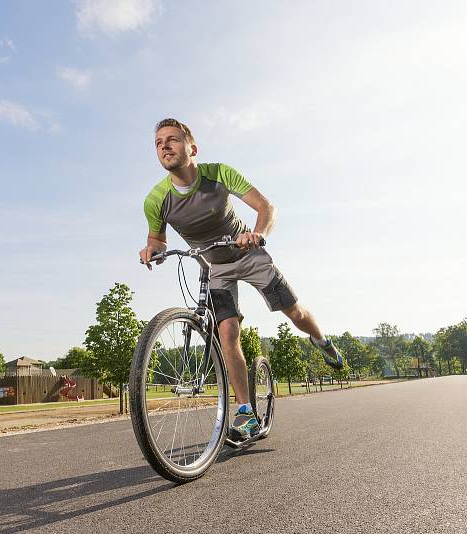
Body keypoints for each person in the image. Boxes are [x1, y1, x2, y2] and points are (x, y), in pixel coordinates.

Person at [139, 118, 344, 441]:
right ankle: (246, 413)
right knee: (227, 332)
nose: (164, 145)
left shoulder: (218, 173)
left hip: (248, 253)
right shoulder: (155, 200)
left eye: (173, 140)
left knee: (295, 313)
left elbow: (266, 206)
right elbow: (158, 240)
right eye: (158, 142)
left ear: (192, 148)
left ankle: (323, 342)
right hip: (215, 266)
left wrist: (258, 234)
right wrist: (152, 250)